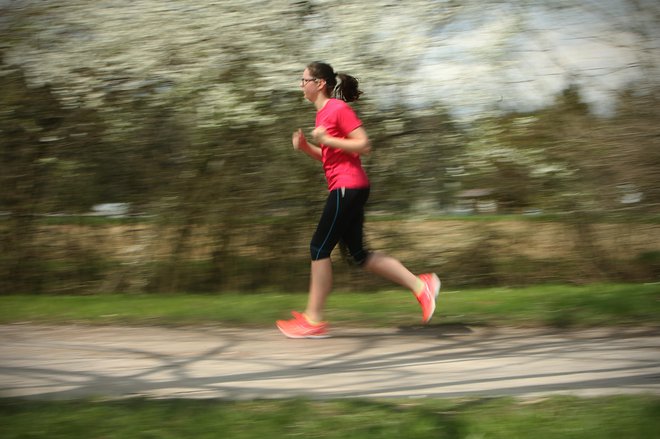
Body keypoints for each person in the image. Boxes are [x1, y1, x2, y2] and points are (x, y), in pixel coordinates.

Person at [276, 61, 440, 339]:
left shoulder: (337, 109)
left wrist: (327, 138)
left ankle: (313, 320)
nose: (300, 85)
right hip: (348, 187)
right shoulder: (322, 115)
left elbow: (363, 145)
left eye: (303, 80)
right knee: (359, 255)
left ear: (320, 84)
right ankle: (420, 286)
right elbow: (332, 157)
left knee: (319, 247)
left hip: (346, 188)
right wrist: (307, 148)